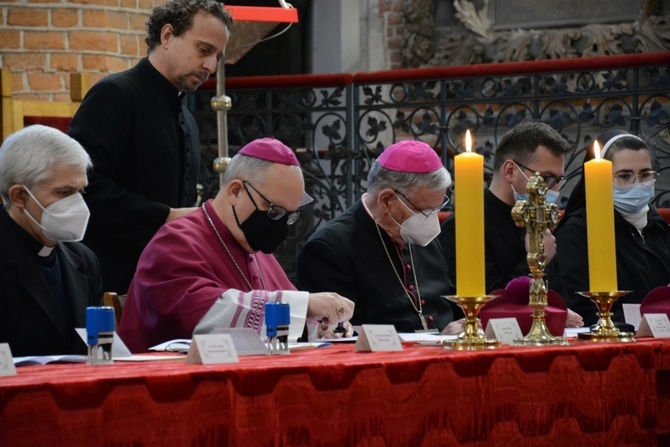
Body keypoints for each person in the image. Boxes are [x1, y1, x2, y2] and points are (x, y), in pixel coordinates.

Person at [118, 138, 354, 352]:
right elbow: (203, 315)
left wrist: (321, 325)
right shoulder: (174, 242)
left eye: (289, 215)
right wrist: (307, 303)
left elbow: (291, 317)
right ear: (236, 191)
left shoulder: (257, 251)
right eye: (274, 211)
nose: (281, 224)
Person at [68, 0, 233, 294]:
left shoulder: (187, 118)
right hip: (110, 280)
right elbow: (82, 190)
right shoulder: (115, 95)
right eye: (204, 50)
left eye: (218, 57)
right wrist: (166, 217)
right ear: (167, 36)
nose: (210, 66)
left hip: (166, 280)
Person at [296, 140, 463, 334]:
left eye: (436, 209)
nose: (431, 221)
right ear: (387, 200)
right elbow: (340, 335)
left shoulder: (422, 236)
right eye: (424, 211)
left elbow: (448, 304)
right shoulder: (328, 249)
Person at [438, 121, 583, 327]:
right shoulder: (464, 226)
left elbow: (559, 298)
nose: (555, 188)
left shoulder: (536, 218)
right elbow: (481, 309)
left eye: (559, 179)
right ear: (510, 171)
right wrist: (533, 260)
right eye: (547, 178)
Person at [0, 125, 103, 356]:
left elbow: (96, 349)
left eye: (81, 191)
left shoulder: (84, 260)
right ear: (20, 196)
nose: (78, 205)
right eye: (64, 193)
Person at [555, 130, 670, 326]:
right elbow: (581, 308)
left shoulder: (658, 226)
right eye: (624, 176)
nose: (637, 184)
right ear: (598, 178)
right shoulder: (577, 232)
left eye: (645, 174)